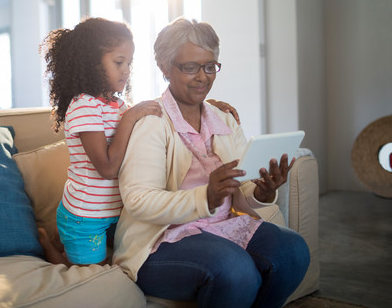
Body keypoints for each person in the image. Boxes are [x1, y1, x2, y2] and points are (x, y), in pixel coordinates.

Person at [113, 17, 310, 307]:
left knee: (293, 250)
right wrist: (205, 196)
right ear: (165, 68)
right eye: (190, 67)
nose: (203, 77)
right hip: (162, 241)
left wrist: (264, 190)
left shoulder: (225, 119)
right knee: (236, 269)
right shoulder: (152, 124)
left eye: (209, 66)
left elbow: (242, 188)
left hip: (224, 228)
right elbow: (139, 201)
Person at [38, 17, 239, 266]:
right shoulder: (83, 106)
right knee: (90, 273)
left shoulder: (117, 106)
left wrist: (206, 105)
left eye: (129, 63)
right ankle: (47, 244)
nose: (126, 70)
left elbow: (158, 111)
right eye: (118, 62)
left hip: (113, 213)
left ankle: (63, 239)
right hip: (86, 214)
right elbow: (108, 167)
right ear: (91, 64)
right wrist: (130, 117)